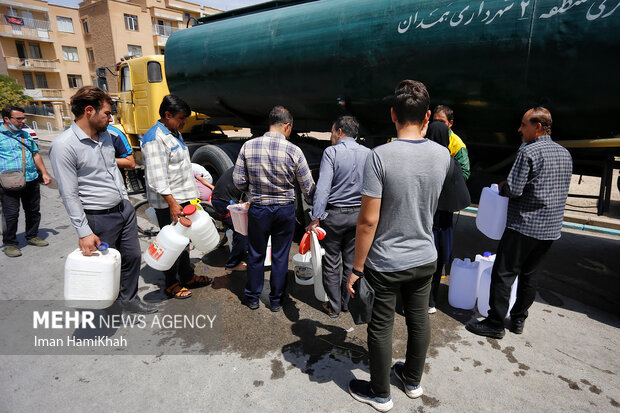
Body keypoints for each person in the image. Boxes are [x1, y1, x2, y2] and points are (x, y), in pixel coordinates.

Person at [346, 80, 451, 412]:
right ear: (428, 117)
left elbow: (367, 222)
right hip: (425, 256)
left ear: (392, 113)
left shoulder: (380, 157)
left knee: (381, 324)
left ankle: (380, 393)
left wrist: (357, 268)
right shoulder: (443, 155)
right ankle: (412, 381)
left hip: (386, 261)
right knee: (419, 319)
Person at [466, 107, 572, 339]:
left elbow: (514, 189)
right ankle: (518, 320)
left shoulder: (529, 152)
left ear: (538, 127)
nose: (519, 129)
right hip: (550, 229)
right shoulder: (565, 153)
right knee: (530, 275)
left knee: (504, 273)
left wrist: (502, 186)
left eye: (524, 125)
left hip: (524, 225)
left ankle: (495, 323)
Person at [49, 86, 156, 314]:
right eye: (107, 113)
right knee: (107, 266)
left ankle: (129, 300)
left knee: (132, 257)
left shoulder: (107, 136)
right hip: (98, 217)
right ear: (89, 111)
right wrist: (84, 232)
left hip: (123, 210)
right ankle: (109, 307)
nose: (111, 118)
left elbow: (113, 170)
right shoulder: (64, 146)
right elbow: (69, 194)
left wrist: (126, 201)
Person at [233, 106, 315, 312]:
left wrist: (252, 190)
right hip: (284, 211)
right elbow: (307, 187)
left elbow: (238, 181)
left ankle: (252, 297)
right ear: (287, 126)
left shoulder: (248, 146)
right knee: (280, 256)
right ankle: (276, 301)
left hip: (259, 209)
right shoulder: (294, 151)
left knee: (256, 254)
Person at [141, 95, 213, 299]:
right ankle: (171, 283)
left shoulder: (174, 133)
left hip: (183, 198)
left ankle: (187, 276)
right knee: (172, 242)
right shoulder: (155, 138)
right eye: (181, 118)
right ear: (167, 115)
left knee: (185, 242)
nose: (184, 122)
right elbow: (157, 177)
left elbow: (181, 167)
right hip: (169, 203)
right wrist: (172, 204)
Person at [306, 116, 370, 318]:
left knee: (332, 262)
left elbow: (323, 188)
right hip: (358, 215)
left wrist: (316, 217)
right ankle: (347, 303)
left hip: (334, 216)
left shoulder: (331, 153)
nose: (331, 137)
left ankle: (334, 307)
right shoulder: (368, 153)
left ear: (339, 132)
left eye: (332, 132)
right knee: (351, 262)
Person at [425, 121, 469, 314]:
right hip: (443, 225)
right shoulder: (452, 163)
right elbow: (463, 196)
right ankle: (431, 302)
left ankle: (413, 301)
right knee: (438, 264)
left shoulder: (423, 160)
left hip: (425, 221)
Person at [0, 106, 51, 257]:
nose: (23, 121)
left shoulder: (25, 135)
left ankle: (32, 236)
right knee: (11, 214)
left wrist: (44, 173)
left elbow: (35, 154)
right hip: (9, 182)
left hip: (31, 179)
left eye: (24, 118)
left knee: (33, 211)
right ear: (7, 119)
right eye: (19, 118)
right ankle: (10, 243)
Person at [211, 167, 248, 271]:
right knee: (242, 231)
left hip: (226, 199)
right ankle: (233, 264)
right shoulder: (250, 168)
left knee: (240, 229)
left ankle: (243, 251)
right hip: (223, 202)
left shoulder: (243, 164)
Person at [433, 105, 470, 179]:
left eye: (442, 122)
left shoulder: (458, 145)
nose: (438, 125)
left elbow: (464, 173)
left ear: (450, 123)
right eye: (435, 121)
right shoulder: (426, 135)